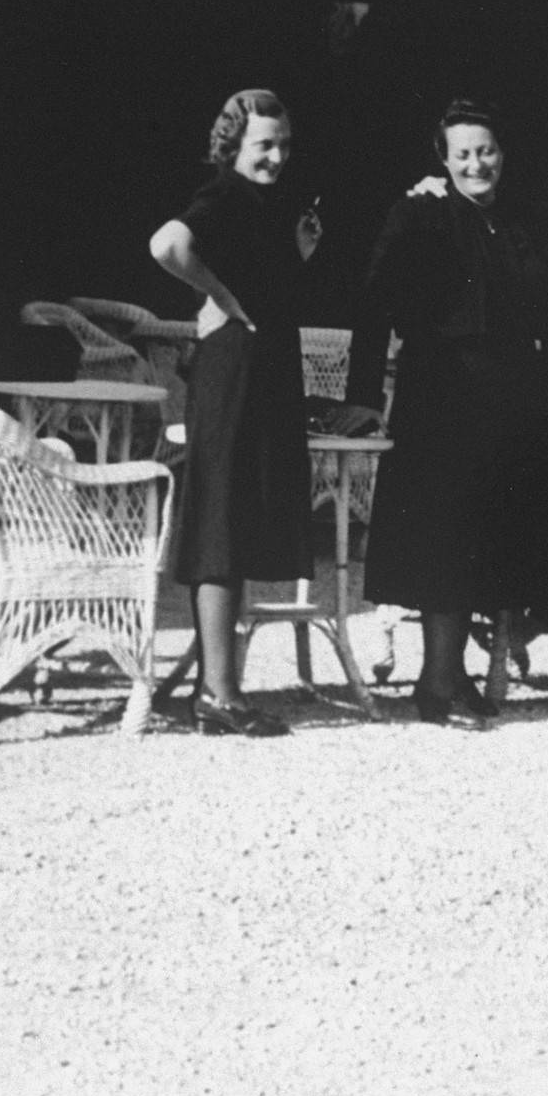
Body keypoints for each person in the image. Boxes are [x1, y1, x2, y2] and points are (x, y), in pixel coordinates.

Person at [338, 99, 548, 729]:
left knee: (483, 539)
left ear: (502, 154)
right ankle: (437, 683)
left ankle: (452, 675)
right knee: (444, 538)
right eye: (461, 153)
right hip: (440, 397)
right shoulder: (421, 215)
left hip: (507, 402)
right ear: (443, 158)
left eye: (485, 151)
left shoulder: (519, 223)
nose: (475, 164)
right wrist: (361, 396)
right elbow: (375, 302)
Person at [150, 88, 322, 738]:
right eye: (263, 146)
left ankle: (222, 687)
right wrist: (220, 294)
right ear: (233, 146)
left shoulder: (260, 206)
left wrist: (293, 253)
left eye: (283, 145)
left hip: (264, 370)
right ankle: (217, 695)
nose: (276, 157)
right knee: (222, 516)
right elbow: (167, 245)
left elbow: (265, 281)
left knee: (241, 512)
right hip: (232, 372)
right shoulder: (224, 194)